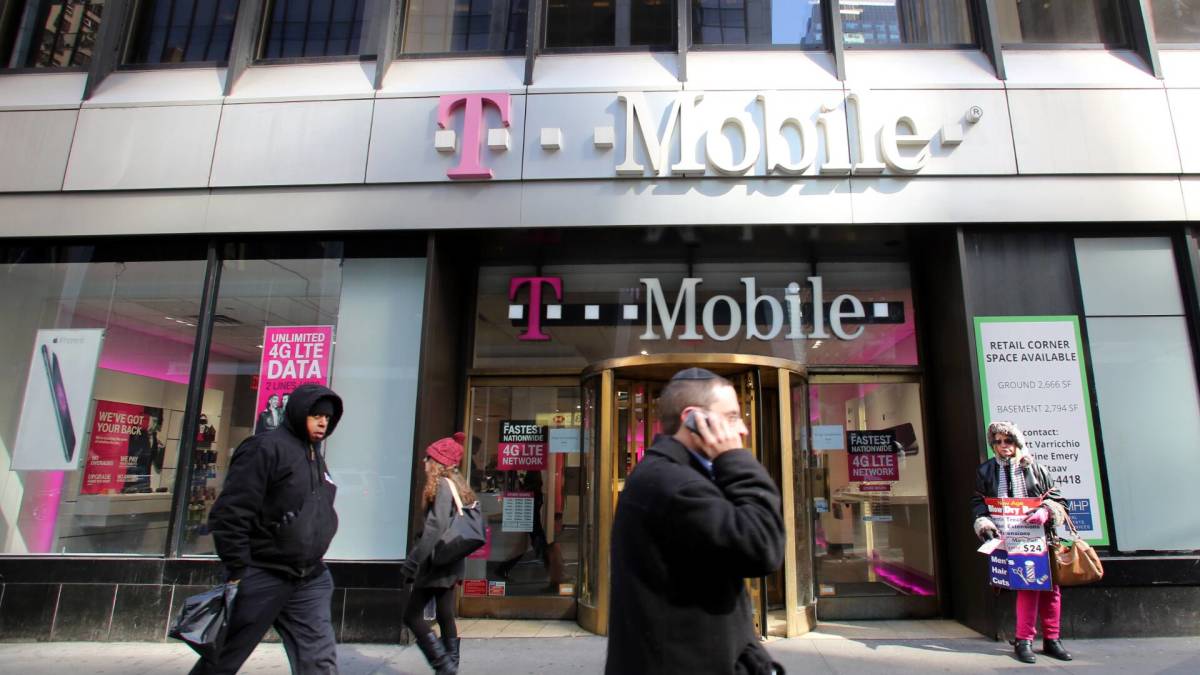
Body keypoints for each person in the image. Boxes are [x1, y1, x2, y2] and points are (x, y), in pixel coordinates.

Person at [605, 368, 786, 675]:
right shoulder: (676, 485)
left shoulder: (677, 475)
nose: (742, 429)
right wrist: (736, 459)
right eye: (731, 417)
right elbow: (762, 546)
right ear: (693, 419)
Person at [193, 383, 343, 675]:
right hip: (263, 571)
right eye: (316, 415)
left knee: (319, 660)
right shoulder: (265, 447)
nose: (323, 422)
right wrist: (239, 569)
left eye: (327, 417)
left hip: (308, 576)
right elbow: (231, 512)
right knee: (223, 658)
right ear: (299, 412)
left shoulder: (314, 455)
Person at [970, 420, 1073, 664]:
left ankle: (1052, 639)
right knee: (1027, 586)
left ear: (1017, 442)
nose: (1003, 445)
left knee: (1051, 590)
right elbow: (978, 502)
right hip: (1009, 537)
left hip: (1040, 538)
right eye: (997, 442)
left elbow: (1058, 500)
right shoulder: (986, 471)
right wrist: (984, 524)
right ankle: (1024, 639)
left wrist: (1046, 511)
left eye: (1008, 440)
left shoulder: (1036, 469)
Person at [399, 432, 474, 675]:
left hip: (436, 564)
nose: (424, 462)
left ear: (438, 462)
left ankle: (443, 664)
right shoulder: (457, 484)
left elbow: (435, 527)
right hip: (451, 561)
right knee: (445, 614)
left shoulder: (442, 486)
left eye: (428, 458)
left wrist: (413, 561)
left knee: (412, 616)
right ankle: (449, 665)